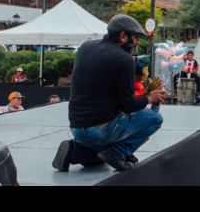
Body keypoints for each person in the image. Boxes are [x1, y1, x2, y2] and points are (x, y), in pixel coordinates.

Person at [52, 14, 166, 173]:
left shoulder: (85, 48)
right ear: (123, 36)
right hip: (101, 129)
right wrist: (149, 98)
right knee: (154, 119)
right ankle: (118, 152)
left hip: (76, 127)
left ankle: (75, 151)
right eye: (135, 38)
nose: (137, 43)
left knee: (97, 161)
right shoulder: (124, 59)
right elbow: (128, 105)